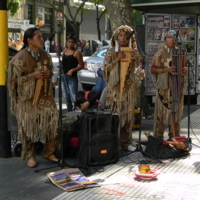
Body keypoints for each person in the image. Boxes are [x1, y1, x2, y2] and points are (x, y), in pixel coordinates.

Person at [7, 28, 59, 168]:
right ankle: (31, 155)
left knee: (53, 122)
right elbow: (12, 81)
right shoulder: (19, 58)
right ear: (29, 40)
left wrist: (49, 74)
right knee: (28, 128)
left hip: (45, 96)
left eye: (42, 36)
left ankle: (49, 151)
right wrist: (32, 76)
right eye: (39, 37)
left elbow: (51, 72)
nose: (42, 39)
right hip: (27, 99)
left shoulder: (46, 56)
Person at [103, 25, 142, 151]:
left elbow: (139, 68)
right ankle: (113, 143)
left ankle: (126, 142)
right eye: (120, 35)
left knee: (127, 117)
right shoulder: (111, 51)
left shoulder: (133, 51)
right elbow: (105, 70)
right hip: (114, 89)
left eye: (126, 35)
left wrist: (136, 59)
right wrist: (117, 60)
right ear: (116, 37)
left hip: (128, 87)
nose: (123, 37)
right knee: (115, 116)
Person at [151, 30, 188, 139]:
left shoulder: (181, 53)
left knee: (175, 113)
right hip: (164, 89)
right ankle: (158, 138)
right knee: (161, 114)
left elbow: (185, 66)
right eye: (169, 37)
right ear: (165, 40)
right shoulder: (159, 53)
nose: (171, 40)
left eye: (174, 37)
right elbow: (153, 69)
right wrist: (167, 70)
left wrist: (185, 70)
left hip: (177, 88)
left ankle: (174, 136)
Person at [54, 34, 84, 111]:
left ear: (75, 43)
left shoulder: (77, 53)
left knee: (74, 96)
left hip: (72, 78)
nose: (70, 44)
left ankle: (77, 112)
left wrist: (72, 70)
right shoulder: (64, 52)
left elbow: (81, 65)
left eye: (72, 42)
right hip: (63, 77)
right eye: (69, 42)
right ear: (66, 42)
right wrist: (57, 79)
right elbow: (61, 66)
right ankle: (69, 111)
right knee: (66, 97)